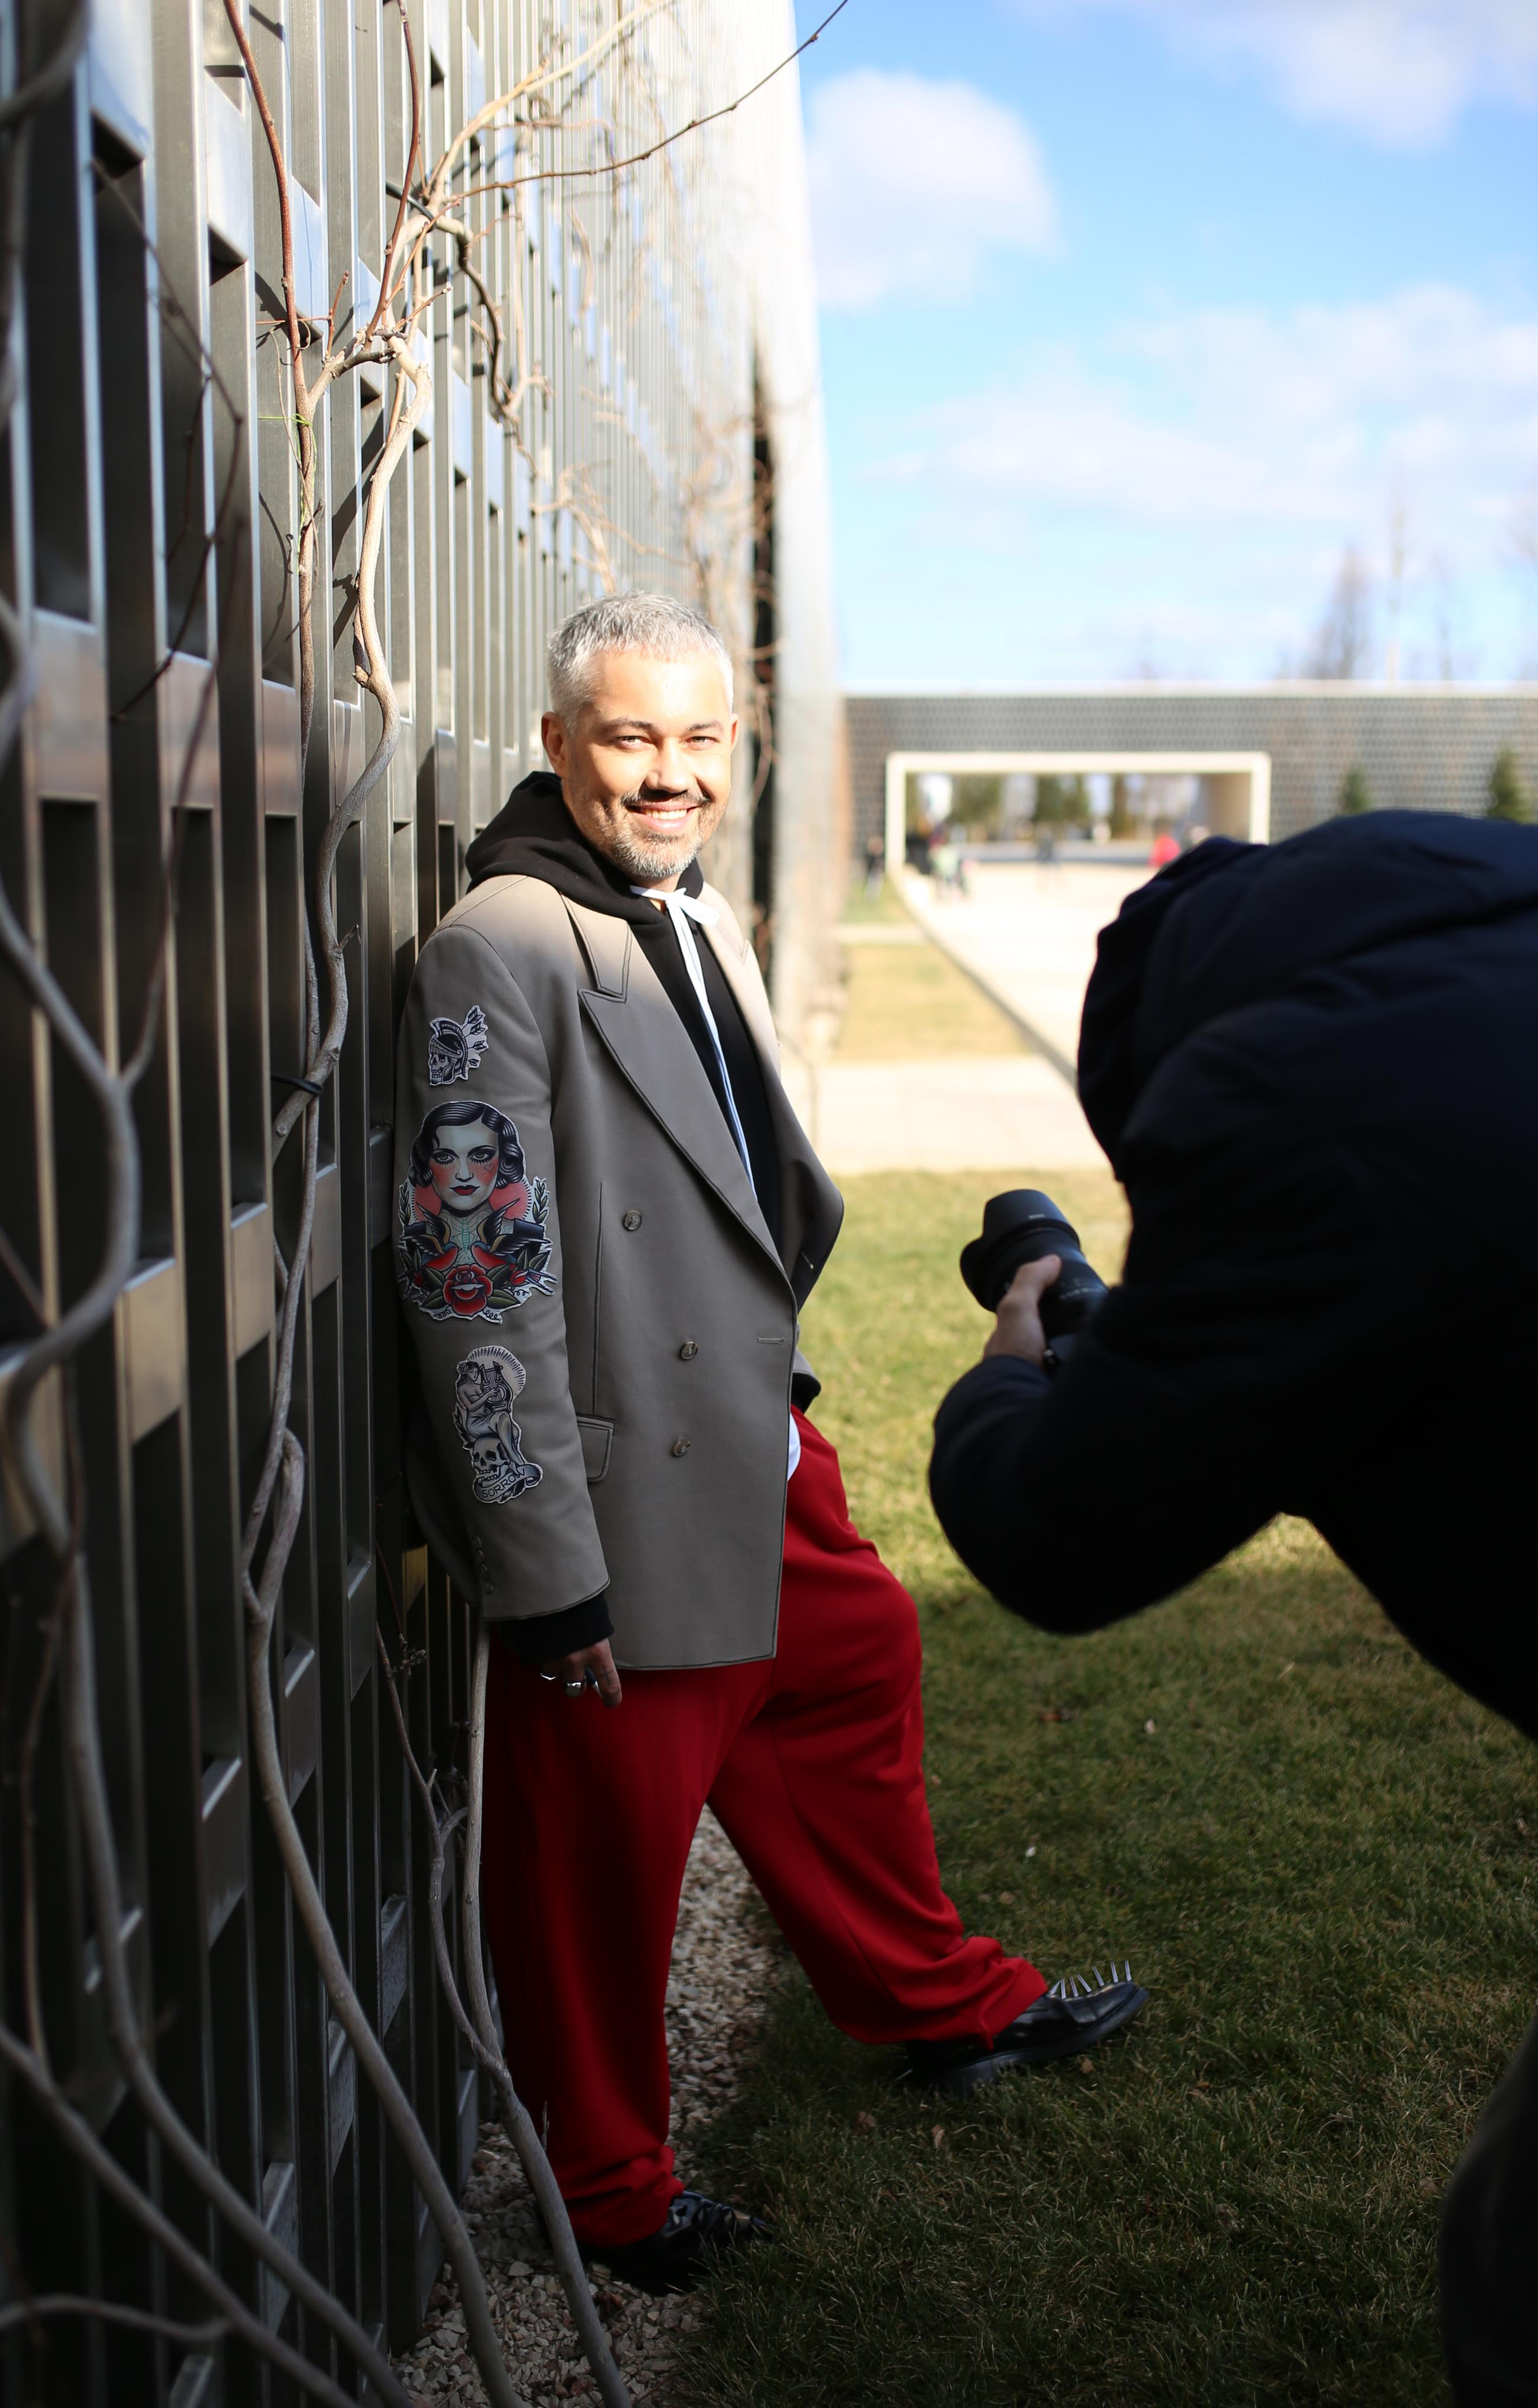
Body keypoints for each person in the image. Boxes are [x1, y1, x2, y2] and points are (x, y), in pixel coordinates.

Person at [395, 593, 1145, 2297]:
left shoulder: (682, 910)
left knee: (858, 1655)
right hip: (613, 1477)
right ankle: (608, 2190)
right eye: (633, 738)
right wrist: (540, 1559)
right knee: (603, 1847)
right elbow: (470, 1274)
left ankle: (940, 2004)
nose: (672, 775)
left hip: (746, 1433)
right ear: (558, 747)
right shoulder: (500, 945)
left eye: (702, 740)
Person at [926, 810, 1538, 2408]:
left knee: (1519, 2275)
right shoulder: (1481, 966)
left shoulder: (1283, 1096)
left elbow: (1052, 1542)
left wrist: (1012, 1365)